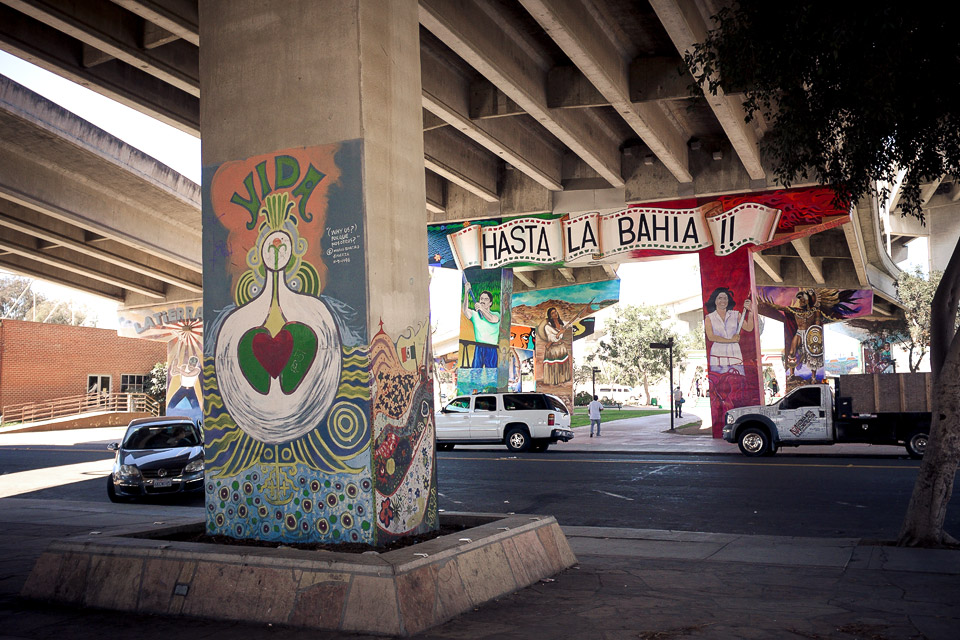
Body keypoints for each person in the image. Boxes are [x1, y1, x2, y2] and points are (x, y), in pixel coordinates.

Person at [704, 287, 754, 374]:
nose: (723, 301)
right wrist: (731, 340)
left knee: (737, 380)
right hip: (718, 354)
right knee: (720, 381)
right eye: (720, 298)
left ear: (728, 301)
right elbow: (711, 337)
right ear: (715, 301)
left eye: (725, 298)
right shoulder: (709, 318)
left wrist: (750, 311)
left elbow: (749, 328)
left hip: (734, 353)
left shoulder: (736, 314)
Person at [462, 283, 501, 368]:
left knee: (491, 374)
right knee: (476, 372)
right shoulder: (475, 315)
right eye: (481, 298)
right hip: (479, 347)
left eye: (486, 299)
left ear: (490, 303)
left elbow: (491, 319)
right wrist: (466, 293)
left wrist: (481, 308)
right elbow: (465, 311)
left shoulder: (496, 314)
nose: (483, 300)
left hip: (491, 348)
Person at [539, 307, 572, 385]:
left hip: (561, 347)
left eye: (556, 312)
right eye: (553, 313)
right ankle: (554, 381)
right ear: (550, 316)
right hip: (553, 348)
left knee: (562, 364)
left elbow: (570, 323)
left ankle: (562, 380)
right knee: (554, 365)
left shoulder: (562, 323)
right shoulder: (548, 326)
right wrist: (559, 333)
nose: (555, 314)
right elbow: (552, 338)